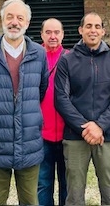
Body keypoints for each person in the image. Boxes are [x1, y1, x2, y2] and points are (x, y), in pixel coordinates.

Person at [0, 0, 49, 206]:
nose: (15, 22)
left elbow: (40, 90)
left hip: (29, 140)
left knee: (30, 200)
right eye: (10, 17)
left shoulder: (39, 54)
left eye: (20, 18)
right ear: (2, 20)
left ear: (27, 23)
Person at [54, 12, 110, 206]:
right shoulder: (67, 60)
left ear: (103, 31)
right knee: (74, 194)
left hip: (106, 135)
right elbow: (61, 98)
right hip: (75, 135)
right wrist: (85, 128)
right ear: (81, 30)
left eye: (97, 26)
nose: (93, 30)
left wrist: (100, 126)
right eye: (88, 26)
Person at [38, 18, 68, 206]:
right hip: (40, 133)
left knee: (68, 184)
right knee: (43, 183)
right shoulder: (33, 57)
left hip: (67, 133)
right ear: (41, 34)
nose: (53, 36)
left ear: (63, 34)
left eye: (56, 32)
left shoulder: (71, 58)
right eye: (48, 32)